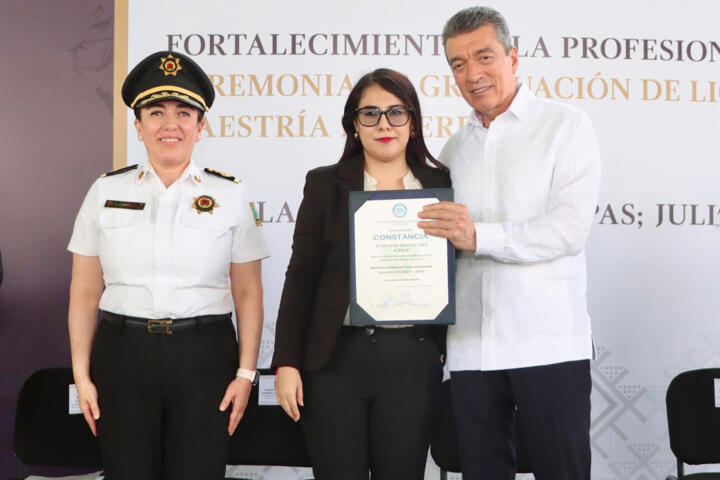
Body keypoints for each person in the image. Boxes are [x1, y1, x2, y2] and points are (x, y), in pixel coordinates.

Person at [418, 7, 601, 480]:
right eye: (458, 64)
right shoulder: (451, 151)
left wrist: (479, 236)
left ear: (513, 57)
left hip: (547, 346)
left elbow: (569, 228)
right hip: (470, 350)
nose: (472, 74)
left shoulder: (566, 126)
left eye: (484, 57)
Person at [67, 51, 269, 480]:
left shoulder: (230, 194)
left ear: (200, 126)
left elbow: (248, 291)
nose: (170, 124)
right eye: (156, 112)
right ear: (138, 126)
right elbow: (85, 291)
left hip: (204, 355)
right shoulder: (105, 191)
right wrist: (82, 375)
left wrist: (246, 374)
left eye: (184, 112)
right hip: (123, 353)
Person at [272, 68, 449, 480]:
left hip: (412, 357)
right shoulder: (324, 185)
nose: (383, 124)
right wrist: (286, 362)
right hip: (336, 360)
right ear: (354, 123)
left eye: (395, 112)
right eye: (370, 114)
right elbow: (300, 278)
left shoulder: (439, 183)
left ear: (413, 120)